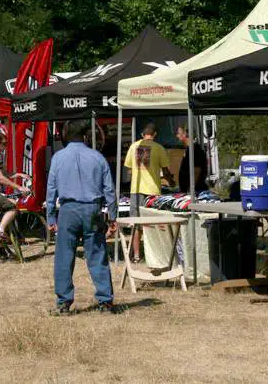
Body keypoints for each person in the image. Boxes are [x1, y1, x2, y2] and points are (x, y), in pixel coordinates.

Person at [46, 120, 117, 315]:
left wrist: (51, 217)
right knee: (97, 254)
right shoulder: (97, 157)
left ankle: (63, 303)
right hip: (92, 209)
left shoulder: (58, 158)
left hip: (68, 210)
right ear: (86, 136)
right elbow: (109, 189)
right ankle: (105, 302)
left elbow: (51, 190)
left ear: (65, 136)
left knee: (64, 257)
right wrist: (113, 216)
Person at [124, 123, 174, 263]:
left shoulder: (134, 146)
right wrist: (171, 181)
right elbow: (166, 171)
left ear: (142, 134)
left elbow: (128, 170)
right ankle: (155, 255)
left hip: (136, 190)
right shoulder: (159, 148)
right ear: (155, 134)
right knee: (155, 224)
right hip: (153, 192)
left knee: (136, 224)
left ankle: (136, 255)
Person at [175, 124, 208, 193]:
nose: (177, 136)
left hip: (195, 191)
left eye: (178, 133)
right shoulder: (189, 149)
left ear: (185, 134)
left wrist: (191, 189)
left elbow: (197, 170)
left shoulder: (195, 149)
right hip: (189, 190)